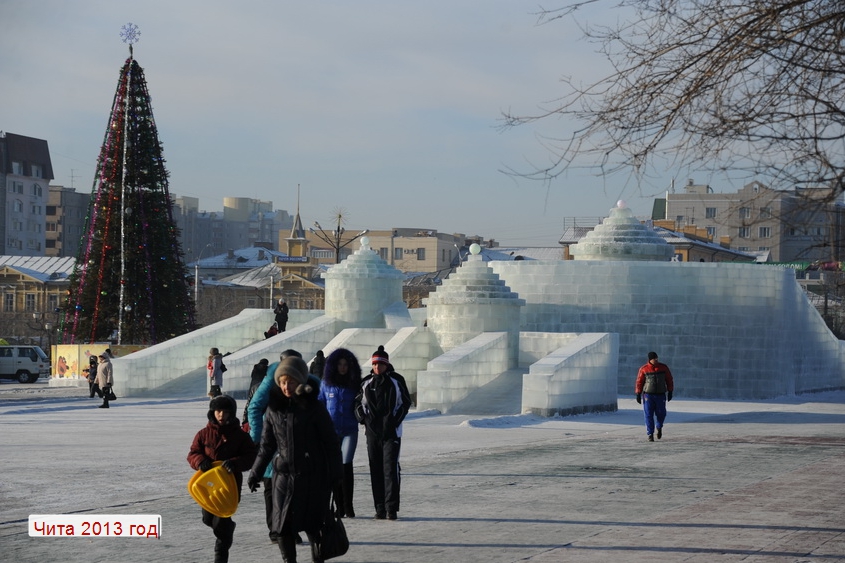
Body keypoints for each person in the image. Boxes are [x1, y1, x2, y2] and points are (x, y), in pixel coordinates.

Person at [247, 356, 342, 563]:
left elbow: (331, 443)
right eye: (282, 381)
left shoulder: (314, 408)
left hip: (312, 477)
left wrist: (335, 474)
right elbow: (267, 446)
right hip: (284, 477)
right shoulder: (274, 409)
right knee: (282, 528)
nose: (286, 386)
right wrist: (255, 472)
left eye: (290, 381)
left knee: (314, 526)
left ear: (300, 382)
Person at [248, 349, 317, 545]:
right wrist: (258, 437)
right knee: (272, 487)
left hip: (295, 439)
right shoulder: (272, 379)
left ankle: (288, 528)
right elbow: (254, 407)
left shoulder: (306, 383)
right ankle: (275, 529)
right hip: (274, 436)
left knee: (293, 489)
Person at [187, 395, 257, 563]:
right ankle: (228, 529)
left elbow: (250, 456)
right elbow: (192, 454)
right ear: (213, 412)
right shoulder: (203, 434)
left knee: (221, 523)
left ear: (231, 413)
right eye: (218, 411)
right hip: (208, 485)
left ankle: (221, 556)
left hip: (228, 485)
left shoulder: (240, 436)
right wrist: (200, 461)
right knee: (207, 519)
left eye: (225, 412)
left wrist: (234, 463)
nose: (221, 415)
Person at [354, 347, 412, 520]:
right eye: (374, 364)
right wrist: (363, 419)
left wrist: (393, 422)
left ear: (386, 364)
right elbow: (357, 403)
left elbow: (405, 403)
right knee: (375, 469)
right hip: (372, 433)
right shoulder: (366, 382)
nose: (377, 367)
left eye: (380, 364)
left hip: (391, 433)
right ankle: (379, 508)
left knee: (390, 469)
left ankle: (391, 508)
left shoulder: (396, 380)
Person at [318, 348, 362, 518]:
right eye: (340, 364)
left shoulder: (354, 384)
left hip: (350, 430)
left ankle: (348, 506)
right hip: (332, 432)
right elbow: (320, 404)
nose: (342, 368)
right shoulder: (326, 384)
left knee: (346, 465)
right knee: (334, 469)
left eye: (345, 365)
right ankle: (339, 506)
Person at [635, 351, 675, 441]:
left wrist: (670, 391)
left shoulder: (663, 368)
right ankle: (650, 434)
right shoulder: (644, 369)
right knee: (648, 415)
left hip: (660, 395)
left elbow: (669, 379)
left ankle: (659, 426)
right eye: (654, 359)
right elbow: (639, 382)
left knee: (662, 413)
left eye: (657, 359)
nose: (656, 360)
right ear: (650, 360)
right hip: (648, 395)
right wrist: (638, 393)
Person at [242, 358, 270, 431]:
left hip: (254, 383)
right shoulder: (266, 368)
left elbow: (252, 375)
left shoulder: (255, 366)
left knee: (251, 400)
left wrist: (245, 420)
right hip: (261, 385)